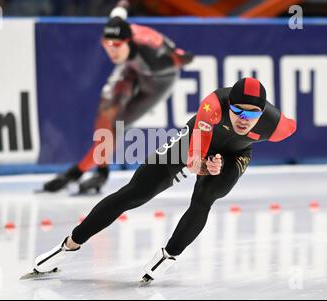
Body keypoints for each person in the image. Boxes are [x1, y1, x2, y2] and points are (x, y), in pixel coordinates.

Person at [25, 77, 297, 283]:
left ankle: (169, 255)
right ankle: (67, 246)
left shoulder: (279, 126)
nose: (243, 120)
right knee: (135, 193)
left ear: (263, 113)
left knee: (205, 198)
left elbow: (288, 125)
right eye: (238, 111)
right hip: (195, 142)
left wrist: (221, 165)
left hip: (235, 154)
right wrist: (204, 164)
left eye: (252, 114)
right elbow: (193, 159)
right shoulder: (212, 106)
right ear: (229, 106)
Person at [42, 0, 194, 194]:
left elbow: (183, 57)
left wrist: (180, 56)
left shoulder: (155, 55)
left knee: (117, 125)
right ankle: (101, 171)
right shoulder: (116, 25)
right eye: (107, 44)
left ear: (128, 42)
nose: (111, 50)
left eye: (116, 45)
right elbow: (120, 9)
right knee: (106, 111)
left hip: (158, 82)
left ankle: (77, 172)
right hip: (131, 68)